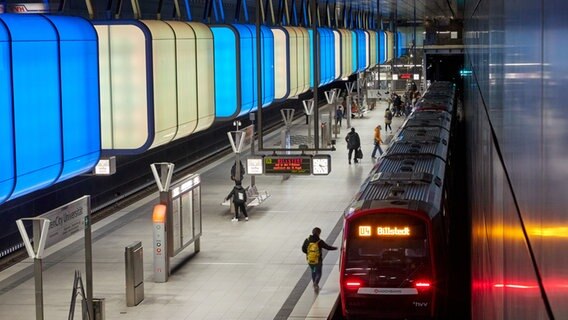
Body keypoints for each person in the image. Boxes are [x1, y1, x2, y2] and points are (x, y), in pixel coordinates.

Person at [301, 227, 337, 293]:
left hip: (311, 260)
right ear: (319, 233)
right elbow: (328, 247)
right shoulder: (319, 241)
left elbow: (303, 249)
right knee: (319, 272)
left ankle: (314, 282)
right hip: (318, 261)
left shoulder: (307, 240)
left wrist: (308, 253)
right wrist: (335, 248)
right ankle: (316, 283)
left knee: (313, 271)